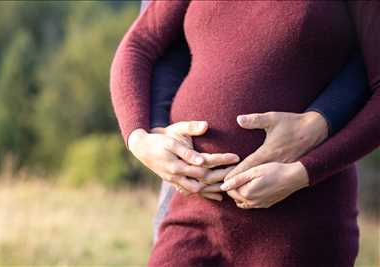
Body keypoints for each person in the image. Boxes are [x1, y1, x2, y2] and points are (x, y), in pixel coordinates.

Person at [110, 1, 380, 266]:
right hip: (192, 215)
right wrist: (140, 139)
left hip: (299, 227)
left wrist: (302, 172)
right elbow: (139, 44)